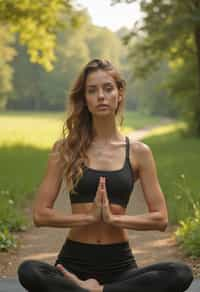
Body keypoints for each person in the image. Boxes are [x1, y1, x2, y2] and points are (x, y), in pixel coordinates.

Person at [18, 59, 193, 292]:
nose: (101, 95)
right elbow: (40, 214)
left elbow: (160, 218)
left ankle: (92, 290)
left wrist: (113, 219)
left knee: (180, 273)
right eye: (92, 90)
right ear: (85, 99)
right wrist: (89, 218)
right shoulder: (65, 149)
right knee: (29, 271)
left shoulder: (139, 153)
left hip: (120, 264)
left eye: (108, 88)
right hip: (73, 259)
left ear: (119, 94)